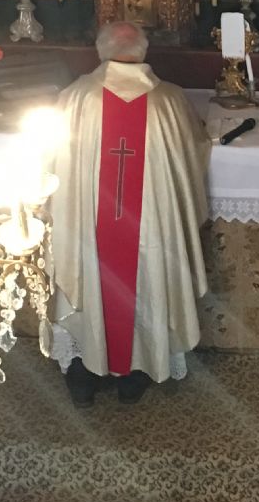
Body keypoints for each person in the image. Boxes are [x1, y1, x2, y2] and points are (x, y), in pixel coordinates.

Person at [48, 20, 211, 406]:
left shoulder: (74, 98)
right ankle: (136, 371)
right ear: (143, 52)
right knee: (148, 277)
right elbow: (194, 156)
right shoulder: (169, 101)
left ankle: (84, 373)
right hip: (149, 229)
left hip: (89, 229)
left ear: (100, 51)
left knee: (88, 275)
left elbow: (51, 162)